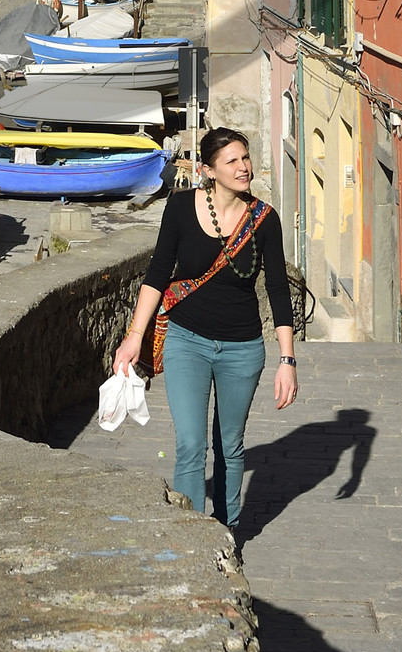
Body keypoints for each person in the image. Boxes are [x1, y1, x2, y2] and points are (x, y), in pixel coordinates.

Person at [113, 125, 296, 538]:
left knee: (229, 447)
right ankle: (191, 537)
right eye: (232, 161)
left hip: (242, 349)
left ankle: (229, 534)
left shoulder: (264, 220)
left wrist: (287, 360)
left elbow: (278, 289)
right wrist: (134, 335)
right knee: (191, 444)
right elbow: (158, 273)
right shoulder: (179, 208)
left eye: (245, 158)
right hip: (185, 340)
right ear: (208, 170)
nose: (243, 167)